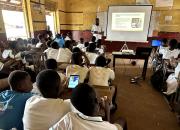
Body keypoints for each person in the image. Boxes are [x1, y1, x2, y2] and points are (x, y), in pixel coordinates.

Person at [50, 83, 126, 130]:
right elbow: (109, 126)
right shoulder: (108, 127)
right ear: (97, 102)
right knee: (122, 120)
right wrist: (107, 113)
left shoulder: (69, 118)